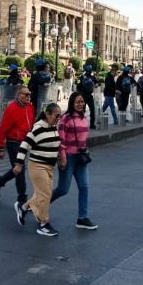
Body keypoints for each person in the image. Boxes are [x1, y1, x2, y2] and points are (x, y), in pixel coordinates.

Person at [12, 102, 64, 236]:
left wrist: (59, 158)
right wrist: (18, 164)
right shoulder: (38, 128)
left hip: (49, 167)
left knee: (42, 194)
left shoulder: (53, 127)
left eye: (60, 116)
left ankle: (23, 207)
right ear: (47, 114)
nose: (58, 119)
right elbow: (24, 145)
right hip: (37, 166)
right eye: (56, 116)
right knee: (45, 195)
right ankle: (43, 224)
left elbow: (54, 145)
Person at [51, 92, 97, 229]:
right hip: (69, 157)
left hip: (81, 158)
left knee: (84, 187)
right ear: (72, 103)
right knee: (63, 189)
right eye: (77, 102)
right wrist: (63, 157)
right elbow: (61, 140)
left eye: (82, 102)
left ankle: (82, 218)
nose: (80, 104)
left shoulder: (85, 118)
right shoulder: (65, 119)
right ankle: (39, 204)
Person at [0, 84, 35, 205]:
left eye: (29, 94)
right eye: (26, 94)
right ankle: (22, 199)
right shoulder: (11, 109)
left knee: (17, 169)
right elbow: (2, 129)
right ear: (18, 95)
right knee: (19, 170)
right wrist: (0, 148)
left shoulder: (30, 107)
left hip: (24, 142)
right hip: (13, 142)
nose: (28, 96)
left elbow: (31, 125)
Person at [78, 64, 98, 129]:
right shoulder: (90, 77)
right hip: (86, 95)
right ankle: (90, 124)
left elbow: (78, 86)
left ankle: (83, 124)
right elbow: (97, 83)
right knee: (89, 110)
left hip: (85, 95)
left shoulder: (83, 76)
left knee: (84, 110)